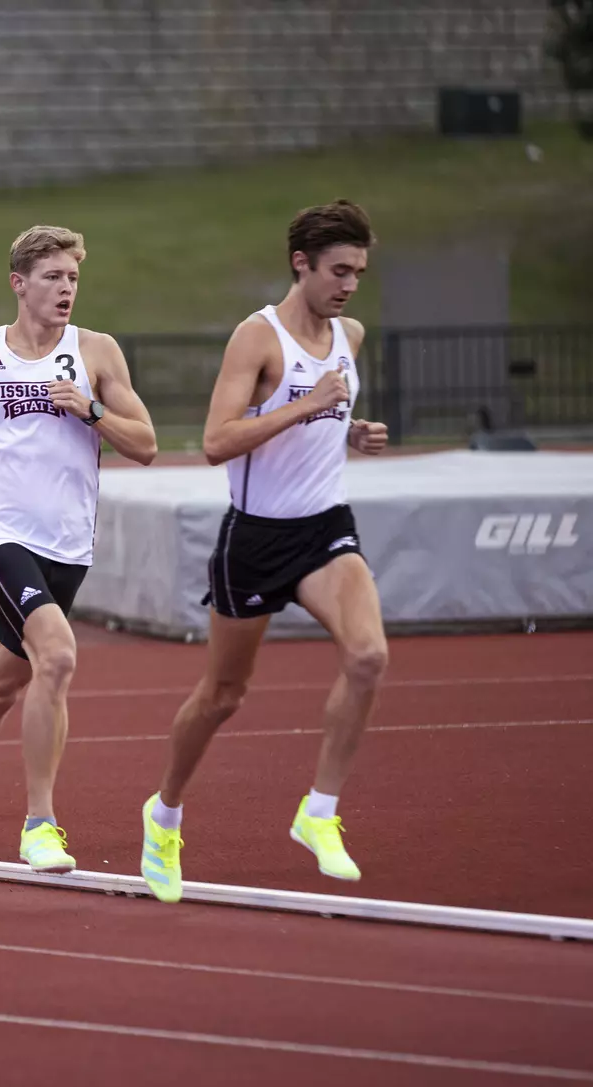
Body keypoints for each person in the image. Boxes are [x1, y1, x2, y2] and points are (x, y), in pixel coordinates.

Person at [139, 200, 390, 903]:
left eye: (358, 273)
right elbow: (217, 441)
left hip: (323, 529)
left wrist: (350, 432)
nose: (347, 285)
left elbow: (322, 423)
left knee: (368, 656)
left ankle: (319, 813)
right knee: (222, 695)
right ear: (299, 264)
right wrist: (307, 407)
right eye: (337, 270)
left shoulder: (351, 335)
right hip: (253, 537)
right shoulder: (258, 339)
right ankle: (164, 814)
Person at [0, 225, 157, 878]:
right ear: (19, 284)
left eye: (72, 277)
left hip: (67, 542)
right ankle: (39, 824)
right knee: (58, 654)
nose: (65, 288)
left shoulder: (95, 353)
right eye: (52, 277)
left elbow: (145, 443)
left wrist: (91, 410)